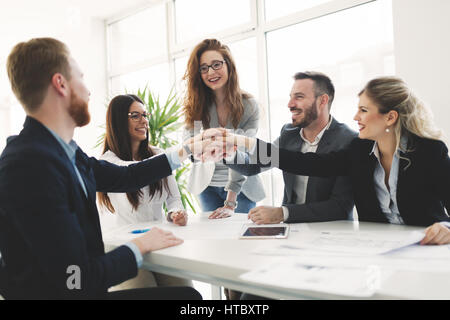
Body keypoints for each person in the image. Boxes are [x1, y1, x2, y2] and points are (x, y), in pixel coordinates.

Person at [0, 37, 210, 299]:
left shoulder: (67, 153)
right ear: (61, 84)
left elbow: (129, 176)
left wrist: (189, 150)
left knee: (187, 297)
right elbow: (74, 279)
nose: (88, 91)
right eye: (82, 78)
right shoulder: (28, 166)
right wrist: (139, 246)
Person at [213, 76, 450, 245]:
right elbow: (310, 163)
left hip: (426, 248)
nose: (356, 117)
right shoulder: (359, 151)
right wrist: (241, 143)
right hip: (377, 248)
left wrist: (446, 228)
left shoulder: (430, 152)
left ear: (390, 117)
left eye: (364, 110)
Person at [227, 71, 356, 225]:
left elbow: (340, 207)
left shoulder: (348, 140)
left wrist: (283, 213)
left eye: (299, 97)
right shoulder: (289, 133)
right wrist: (227, 152)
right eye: (290, 97)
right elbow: (253, 166)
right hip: (291, 230)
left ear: (323, 101)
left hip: (330, 232)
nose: (290, 104)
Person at [97, 94, 191, 290]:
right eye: (135, 116)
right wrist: (185, 151)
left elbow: (173, 197)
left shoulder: (158, 154)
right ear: (118, 121)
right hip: (126, 247)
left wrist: (175, 212)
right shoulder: (108, 161)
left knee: (187, 293)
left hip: (158, 242)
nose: (144, 121)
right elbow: (131, 173)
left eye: (145, 115)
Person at [182, 38, 265, 219]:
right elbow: (190, 147)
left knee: (242, 240)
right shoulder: (196, 107)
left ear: (229, 66)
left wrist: (230, 201)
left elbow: (244, 154)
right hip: (206, 187)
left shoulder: (248, 106)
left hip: (242, 189)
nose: (211, 72)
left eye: (216, 64)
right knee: (213, 242)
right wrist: (202, 145)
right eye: (204, 68)